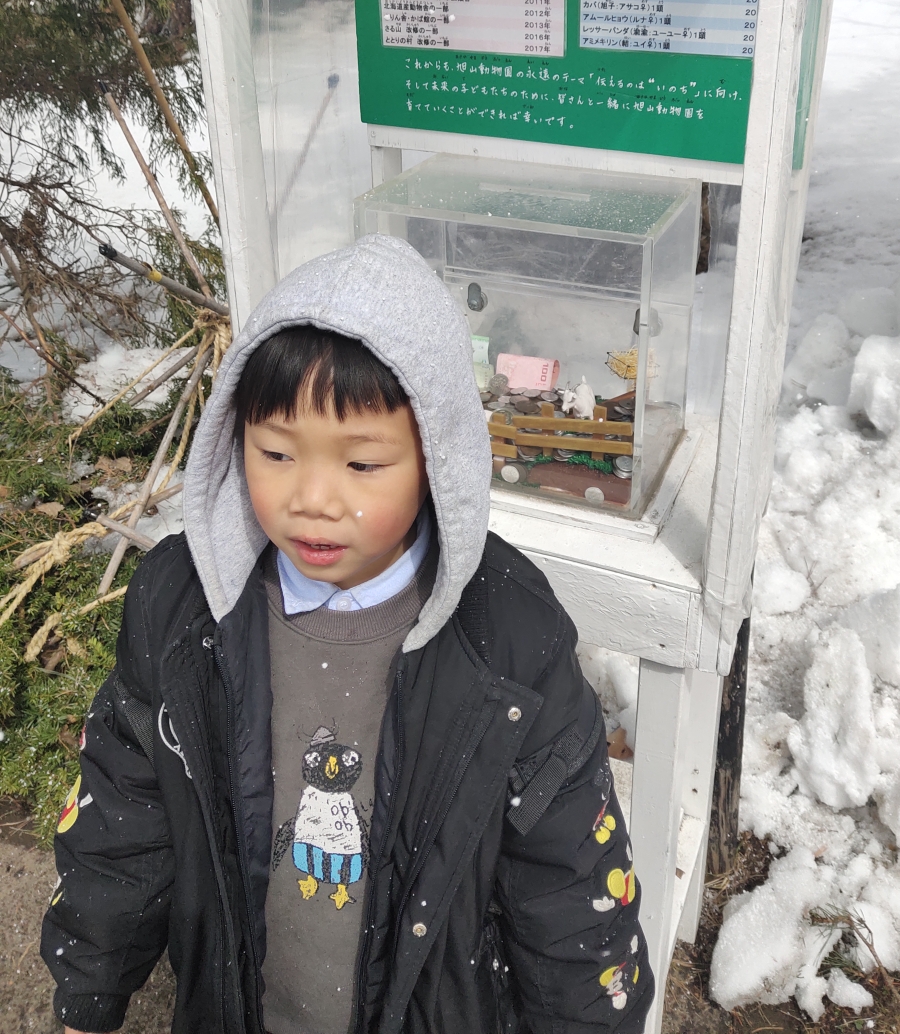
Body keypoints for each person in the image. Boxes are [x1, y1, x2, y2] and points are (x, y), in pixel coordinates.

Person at [43, 234, 652, 1034]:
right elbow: (122, 818)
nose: (313, 498)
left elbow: (569, 884)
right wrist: (88, 986)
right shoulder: (184, 608)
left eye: (362, 465)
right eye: (277, 453)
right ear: (235, 438)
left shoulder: (509, 639)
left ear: (438, 459)